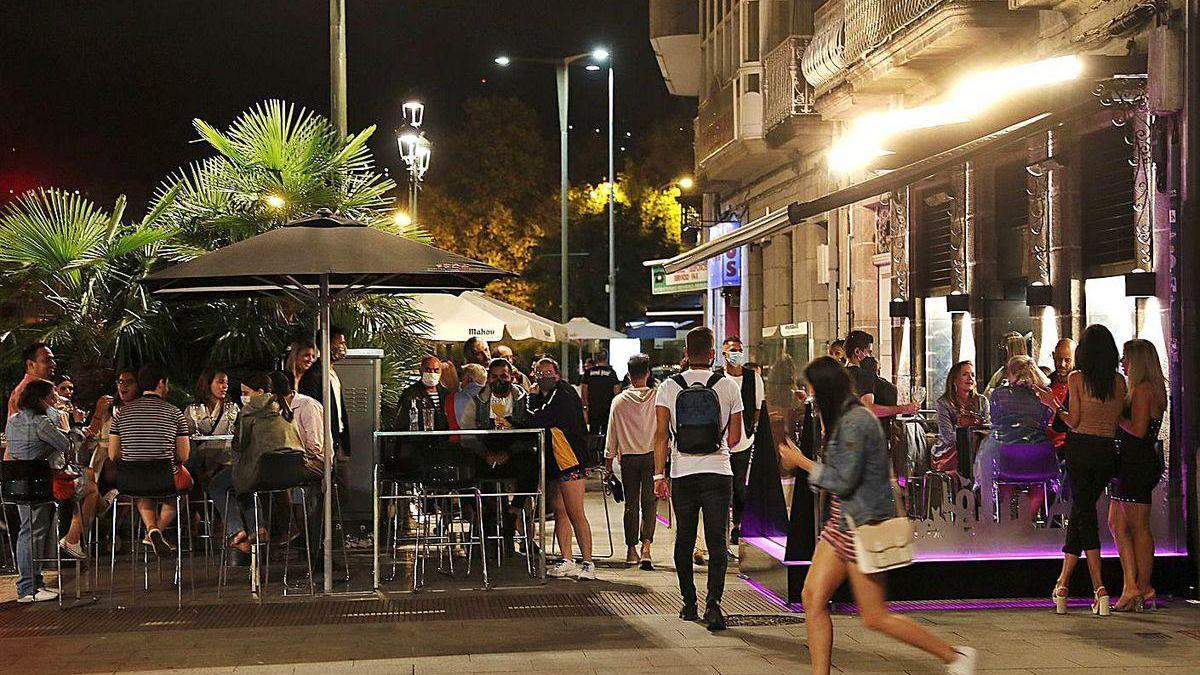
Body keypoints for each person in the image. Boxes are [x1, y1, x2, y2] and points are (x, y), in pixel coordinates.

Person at [791, 356, 976, 675]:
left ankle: (955, 655)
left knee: (875, 616)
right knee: (812, 597)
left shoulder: (855, 421)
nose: (809, 396)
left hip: (859, 526)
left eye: (811, 390)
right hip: (841, 523)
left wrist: (802, 461)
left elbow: (843, 480)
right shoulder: (843, 418)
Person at [653, 326, 743, 631]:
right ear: (713, 353)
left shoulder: (669, 386)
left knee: (685, 539)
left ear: (686, 354)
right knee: (717, 541)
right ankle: (714, 605)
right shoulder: (728, 386)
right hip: (718, 472)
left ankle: (688, 604)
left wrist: (658, 475)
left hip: (683, 472)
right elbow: (734, 436)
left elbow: (661, 435)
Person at [1038, 324, 1126, 616]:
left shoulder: (1076, 379)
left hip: (1080, 450)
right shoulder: (1120, 382)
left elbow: (1073, 421)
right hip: (1107, 452)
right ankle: (1062, 584)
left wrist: (1052, 404)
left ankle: (1099, 587)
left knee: (1084, 513)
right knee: (1082, 511)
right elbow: (1115, 423)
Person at [7, 379, 100, 583]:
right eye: (53, 398)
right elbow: (69, 446)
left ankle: (32, 583)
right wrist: (72, 426)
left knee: (28, 530)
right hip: (42, 484)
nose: (56, 401)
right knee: (91, 489)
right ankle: (71, 540)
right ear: (42, 400)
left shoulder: (13, 420)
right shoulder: (41, 422)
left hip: (19, 483)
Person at [209, 373, 309, 555]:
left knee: (218, 485)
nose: (244, 397)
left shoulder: (248, 412)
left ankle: (237, 530)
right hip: (293, 473)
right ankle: (258, 529)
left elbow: (239, 446)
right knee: (242, 482)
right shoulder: (284, 408)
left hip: (262, 473)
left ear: (260, 392)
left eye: (246, 392)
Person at [1107, 339, 1167, 612]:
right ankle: (1131, 584)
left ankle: (1142, 585)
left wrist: (1115, 418)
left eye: (1126, 359)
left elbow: (1140, 430)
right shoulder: (1150, 389)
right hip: (1132, 461)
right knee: (1117, 522)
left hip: (1137, 460)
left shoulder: (1144, 390)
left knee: (1137, 525)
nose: (1122, 363)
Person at [108, 363, 193, 557]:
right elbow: (184, 455)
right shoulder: (175, 413)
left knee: (142, 490)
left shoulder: (122, 414)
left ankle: (152, 528)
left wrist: (134, 455)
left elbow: (113, 454)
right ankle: (155, 530)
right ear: (161, 383)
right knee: (182, 491)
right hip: (165, 478)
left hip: (131, 480)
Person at [525, 357, 596, 580]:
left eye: (548, 373)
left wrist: (531, 397)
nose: (544, 377)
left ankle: (588, 563)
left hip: (571, 460)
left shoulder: (563, 395)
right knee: (560, 510)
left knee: (575, 512)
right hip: (557, 461)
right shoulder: (548, 396)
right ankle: (567, 559)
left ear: (557, 374)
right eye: (539, 373)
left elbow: (537, 419)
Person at [977, 357, 1055, 519]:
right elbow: (1046, 421)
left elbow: (996, 422)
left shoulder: (999, 394)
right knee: (1039, 484)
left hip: (1008, 454)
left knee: (1004, 479)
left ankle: (1005, 520)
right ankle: (1026, 519)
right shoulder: (1044, 395)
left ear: (1011, 372)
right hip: (1039, 454)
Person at [605, 353, 659, 569]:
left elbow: (612, 434)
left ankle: (631, 549)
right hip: (652, 456)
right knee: (650, 503)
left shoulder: (619, 401)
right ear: (648, 373)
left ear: (628, 375)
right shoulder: (658, 397)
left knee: (631, 504)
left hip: (628, 459)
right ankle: (646, 547)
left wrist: (608, 463)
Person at [718, 336, 764, 546]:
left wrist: (750, 429)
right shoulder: (716, 378)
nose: (736, 353)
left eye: (739, 349)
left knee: (739, 484)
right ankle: (722, 525)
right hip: (719, 442)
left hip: (744, 440)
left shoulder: (753, 378)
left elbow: (757, 408)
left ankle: (738, 524)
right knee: (722, 486)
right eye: (732, 350)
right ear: (724, 353)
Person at [929, 361, 989, 475]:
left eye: (972, 375)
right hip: (949, 452)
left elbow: (988, 430)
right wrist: (970, 432)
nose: (970, 378)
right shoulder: (943, 403)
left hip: (978, 451)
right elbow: (948, 437)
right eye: (965, 374)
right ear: (955, 380)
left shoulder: (982, 401)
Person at [298, 327, 350, 455]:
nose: (344, 347)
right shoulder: (314, 376)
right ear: (328, 345)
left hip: (336, 436)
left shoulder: (332, 373)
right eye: (341, 343)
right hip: (323, 441)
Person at [844, 330, 919, 418]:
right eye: (869, 352)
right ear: (857, 352)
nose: (871, 356)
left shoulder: (840, 374)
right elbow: (869, 409)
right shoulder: (863, 375)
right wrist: (905, 408)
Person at [183, 368, 239, 482]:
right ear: (208, 384)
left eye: (226, 383)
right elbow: (187, 436)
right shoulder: (193, 409)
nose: (225, 386)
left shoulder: (232, 409)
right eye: (220, 382)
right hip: (200, 462)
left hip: (225, 461)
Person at [397, 355, 452, 431]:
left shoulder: (445, 393)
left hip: (442, 438)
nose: (432, 373)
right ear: (421, 370)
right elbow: (402, 420)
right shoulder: (411, 393)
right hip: (420, 439)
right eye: (428, 370)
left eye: (436, 370)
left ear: (441, 371)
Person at [7, 342, 57, 419]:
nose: (53, 364)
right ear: (30, 364)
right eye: (47, 360)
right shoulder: (25, 391)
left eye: (53, 360)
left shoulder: (41, 387)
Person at [1046, 339, 1075, 453]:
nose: (1062, 364)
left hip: (1068, 446)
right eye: (1059, 359)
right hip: (1045, 443)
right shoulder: (1047, 382)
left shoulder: (1080, 385)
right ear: (1053, 356)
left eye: (1067, 360)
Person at [984, 332, 1029, 398]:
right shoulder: (1001, 373)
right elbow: (986, 396)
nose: (1003, 355)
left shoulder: (1029, 371)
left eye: (1005, 350)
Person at [452, 363, 488, 429]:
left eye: (462, 379)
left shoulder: (454, 398)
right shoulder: (492, 395)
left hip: (464, 436)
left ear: (469, 379)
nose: (461, 383)